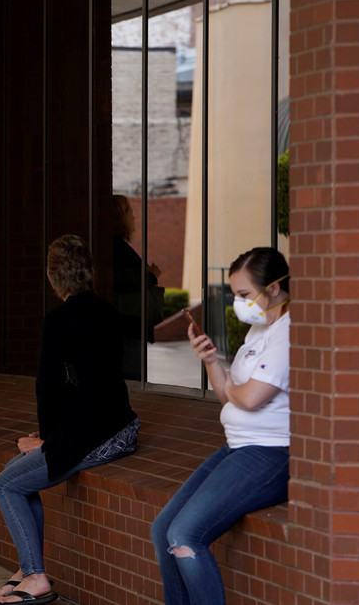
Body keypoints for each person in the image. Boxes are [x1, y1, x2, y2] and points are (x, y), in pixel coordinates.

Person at [0, 234, 140, 604]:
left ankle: (36, 577)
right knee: (18, 471)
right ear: (88, 272)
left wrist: (49, 440)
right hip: (122, 426)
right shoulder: (107, 312)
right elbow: (97, 383)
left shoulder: (58, 320)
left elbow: (48, 388)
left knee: (6, 485)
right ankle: (27, 567)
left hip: (94, 434)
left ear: (51, 276)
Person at [151, 247, 290, 605]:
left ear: (273, 288)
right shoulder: (260, 330)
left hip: (270, 454)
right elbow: (230, 396)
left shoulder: (289, 331)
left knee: (184, 535)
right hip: (239, 448)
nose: (238, 302)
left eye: (244, 294)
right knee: (162, 528)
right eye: (235, 294)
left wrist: (233, 388)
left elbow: (251, 398)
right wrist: (211, 360)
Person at [111, 195, 164, 380]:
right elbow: (127, 282)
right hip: (127, 326)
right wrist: (151, 275)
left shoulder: (115, 248)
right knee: (132, 383)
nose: (133, 217)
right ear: (121, 216)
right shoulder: (118, 249)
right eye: (130, 212)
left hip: (124, 325)